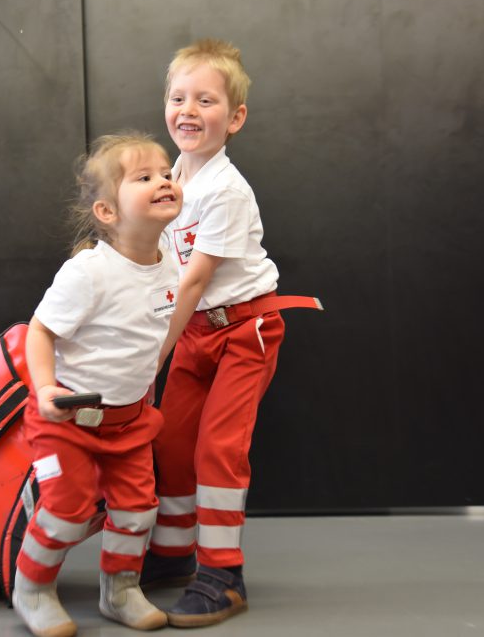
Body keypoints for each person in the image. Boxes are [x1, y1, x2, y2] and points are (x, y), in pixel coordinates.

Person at [141, 39, 321, 628]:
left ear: (235, 117)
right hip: (193, 333)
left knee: (218, 448)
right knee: (170, 445)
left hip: (245, 332)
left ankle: (223, 573)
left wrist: (151, 359)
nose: (188, 110)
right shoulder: (168, 180)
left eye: (206, 100)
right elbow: (159, 269)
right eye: (177, 97)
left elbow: (193, 281)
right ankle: (172, 556)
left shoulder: (226, 191)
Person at [13, 132, 183, 637]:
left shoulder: (171, 262)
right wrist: (45, 391)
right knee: (68, 511)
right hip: (68, 420)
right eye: (145, 177)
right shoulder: (89, 272)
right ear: (107, 212)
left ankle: (121, 590)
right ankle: (34, 588)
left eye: (167, 173)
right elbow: (40, 332)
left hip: (129, 423)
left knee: (137, 511)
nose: (164, 181)